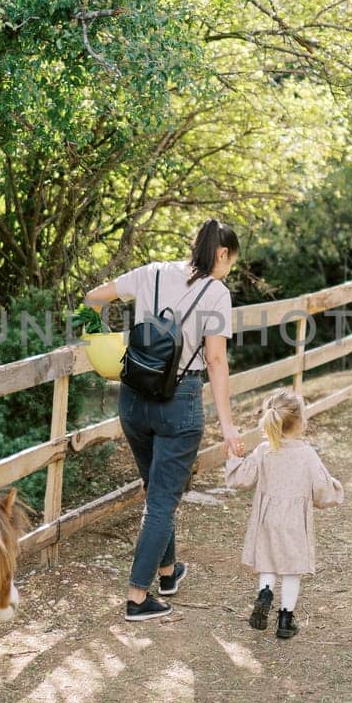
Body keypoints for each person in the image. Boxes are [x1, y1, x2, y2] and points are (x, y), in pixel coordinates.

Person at [84, 218, 244, 621]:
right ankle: (138, 596)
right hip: (180, 402)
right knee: (161, 502)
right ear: (221, 254)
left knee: (156, 487)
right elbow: (215, 359)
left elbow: (93, 297)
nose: (228, 270)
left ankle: (169, 572)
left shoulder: (151, 273)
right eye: (230, 262)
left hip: (133, 398)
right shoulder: (217, 293)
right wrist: (227, 425)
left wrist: (118, 342)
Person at [225, 388, 343, 640]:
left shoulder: (263, 451)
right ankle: (285, 620)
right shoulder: (306, 454)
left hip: (267, 518)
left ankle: (265, 593)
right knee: (291, 570)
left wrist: (234, 459)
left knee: (267, 562)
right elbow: (322, 488)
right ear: (300, 422)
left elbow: (243, 479)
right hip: (294, 522)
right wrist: (334, 489)